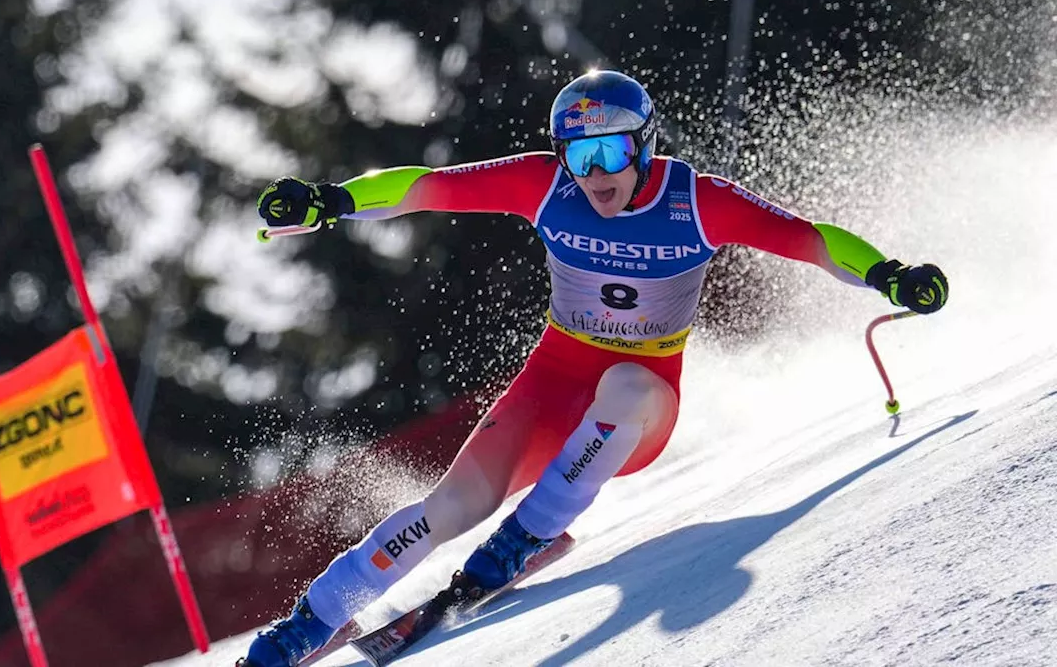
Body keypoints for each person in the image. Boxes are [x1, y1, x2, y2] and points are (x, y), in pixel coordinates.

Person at [240, 70, 948, 667]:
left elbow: (810, 239)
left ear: (644, 144)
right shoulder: (543, 186)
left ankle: (530, 533)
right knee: (450, 508)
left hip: (641, 407)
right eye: (579, 158)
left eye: (611, 152)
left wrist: (887, 274)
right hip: (553, 382)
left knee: (626, 383)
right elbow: (424, 188)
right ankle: (312, 620)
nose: (596, 175)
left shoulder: (697, 201)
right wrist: (330, 202)